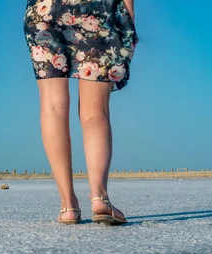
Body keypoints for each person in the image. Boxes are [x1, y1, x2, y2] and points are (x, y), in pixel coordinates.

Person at [24, 0, 138, 225]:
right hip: (97, 8)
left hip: (45, 10)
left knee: (53, 106)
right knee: (95, 112)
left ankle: (68, 205)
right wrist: (129, 20)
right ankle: (99, 197)